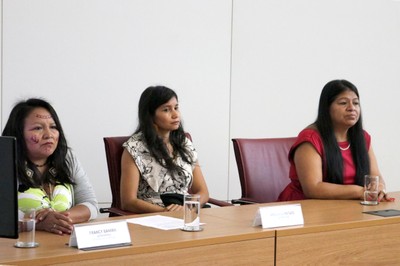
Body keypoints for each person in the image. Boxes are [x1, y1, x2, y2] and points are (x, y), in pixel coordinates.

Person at [278, 79, 393, 202]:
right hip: (304, 209)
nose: (351, 108)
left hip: (348, 206)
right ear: (327, 108)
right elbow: (313, 188)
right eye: (343, 103)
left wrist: (380, 187)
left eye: (356, 103)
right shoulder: (310, 139)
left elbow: (375, 176)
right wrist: (360, 191)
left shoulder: (363, 138)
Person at [2, 98, 98, 235]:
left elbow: (90, 204)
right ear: (18, 133)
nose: (49, 135)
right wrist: (39, 222)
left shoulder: (67, 158)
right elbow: (3, 214)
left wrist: (59, 219)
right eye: (38, 128)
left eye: (53, 127)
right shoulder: (4, 161)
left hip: (62, 242)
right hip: (18, 247)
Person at [120, 85, 209, 213]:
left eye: (176, 108)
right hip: (154, 216)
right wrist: (167, 213)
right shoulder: (134, 147)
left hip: (186, 212)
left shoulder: (185, 143)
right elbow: (128, 202)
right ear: (150, 116)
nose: (175, 114)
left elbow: (203, 192)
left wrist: (188, 206)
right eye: (166, 110)